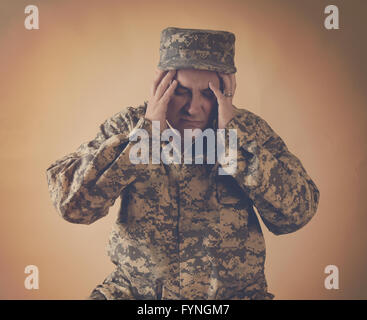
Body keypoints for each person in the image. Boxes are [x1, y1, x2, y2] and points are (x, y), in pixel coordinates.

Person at [46, 27, 320, 300]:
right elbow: (73, 206)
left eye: (209, 94)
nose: (193, 107)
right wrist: (144, 137)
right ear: (160, 85)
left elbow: (296, 214)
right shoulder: (130, 127)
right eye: (181, 92)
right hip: (137, 295)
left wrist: (235, 145)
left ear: (227, 90)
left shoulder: (247, 131)